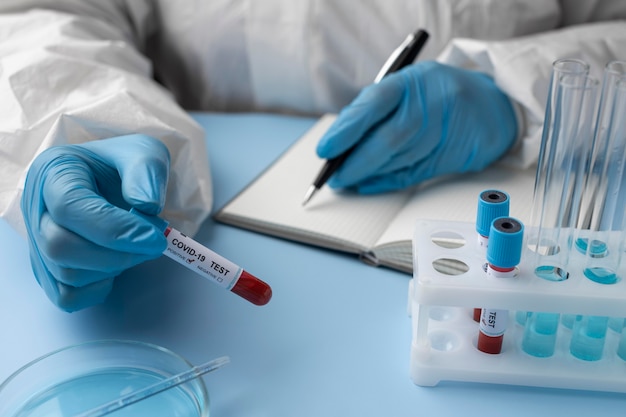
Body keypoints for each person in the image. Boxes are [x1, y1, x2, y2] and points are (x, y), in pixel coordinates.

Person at [0, 1, 624, 312]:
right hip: (199, 219)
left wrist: (515, 91)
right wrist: (83, 130)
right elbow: (42, 12)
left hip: (538, 201)